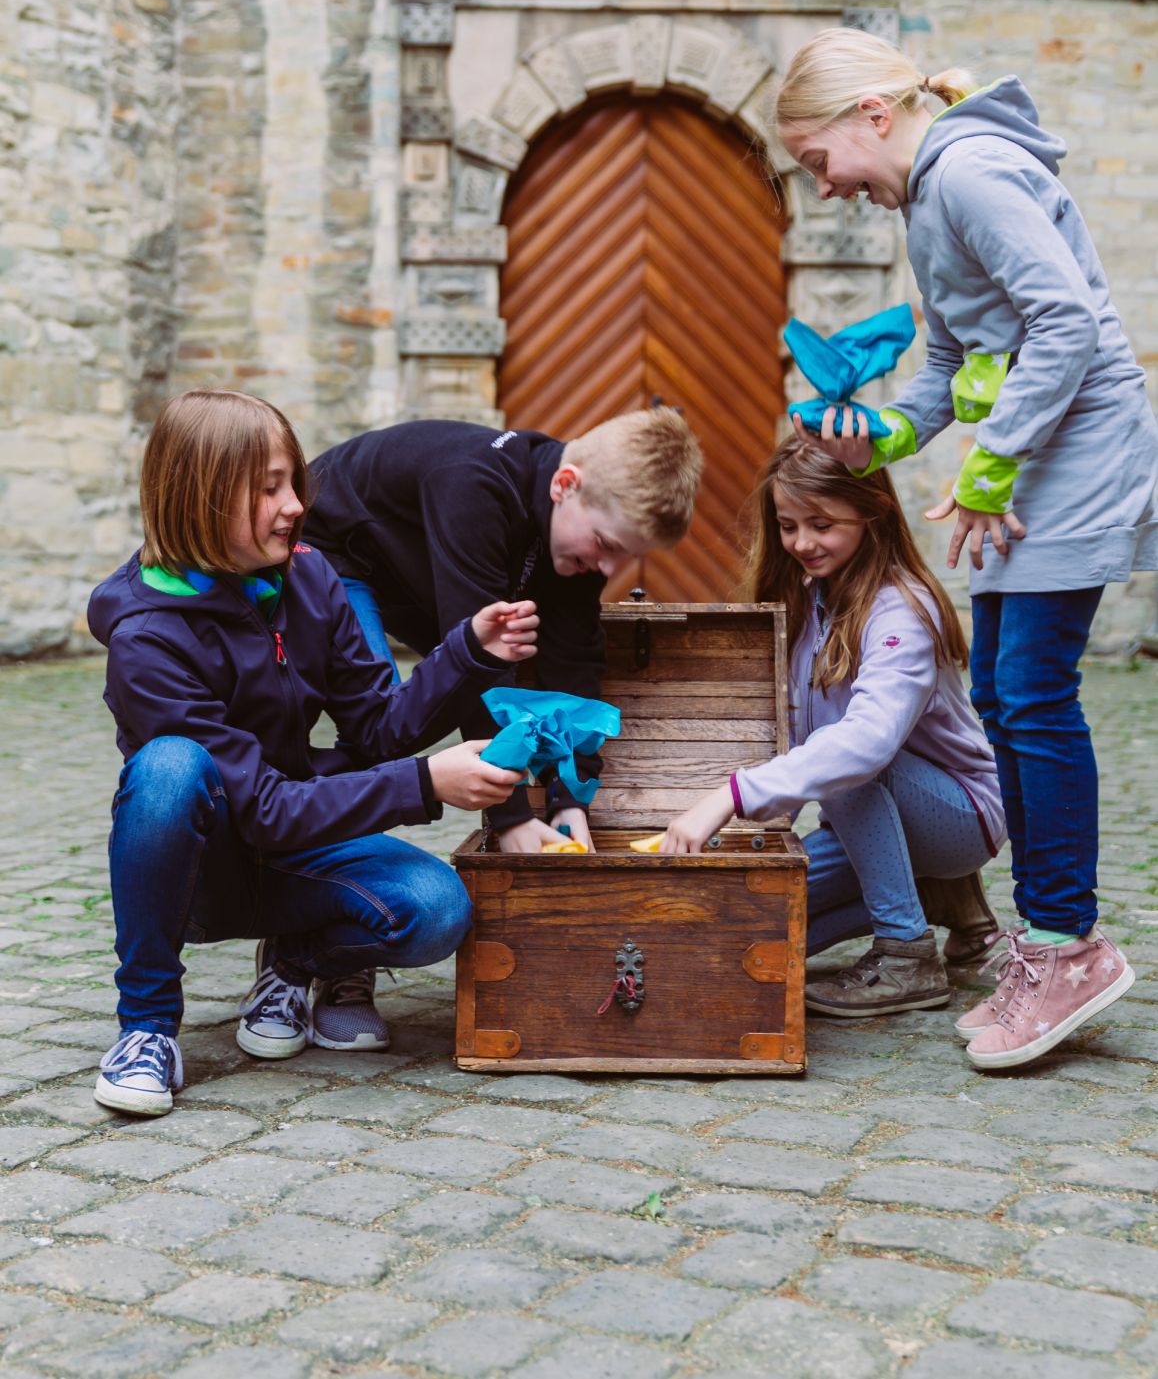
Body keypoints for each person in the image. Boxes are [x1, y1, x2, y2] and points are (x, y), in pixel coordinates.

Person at [772, 26, 1158, 1068]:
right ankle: (1043, 944)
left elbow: (1067, 324)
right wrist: (883, 436)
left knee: (1032, 694)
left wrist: (990, 469)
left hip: (1073, 456)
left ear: (873, 115)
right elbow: (951, 358)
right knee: (1001, 692)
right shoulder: (929, 200)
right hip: (1030, 462)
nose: (826, 186)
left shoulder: (973, 172)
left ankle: (1068, 946)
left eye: (819, 159)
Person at [87, 388, 537, 1116]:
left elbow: (379, 728)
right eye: (268, 488)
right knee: (168, 767)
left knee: (437, 909)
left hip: (296, 852)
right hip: (204, 875)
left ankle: (293, 962)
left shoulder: (309, 575)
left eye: (293, 482)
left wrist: (467, 652)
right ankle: (146, 1027)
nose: (295, 505)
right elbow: (262, 807)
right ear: (200, 498)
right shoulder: (146, 637)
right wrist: (426, 782)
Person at [661, 439, 1005, 1017]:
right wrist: (762, 838)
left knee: (849, 757)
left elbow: (864, 744)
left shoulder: (902, 609)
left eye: (821, 524)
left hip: (960, 814)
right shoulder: (808, 599)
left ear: (872, 514)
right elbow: (797, 732)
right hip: (869, 819)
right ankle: (933, 898)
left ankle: (906, 954)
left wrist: (731, 796)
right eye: (788, 525)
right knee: (757, 922)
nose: (801, 542)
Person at [304, 409, 703, 853]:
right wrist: (510, 816)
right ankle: (315, 831)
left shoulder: (578, 532)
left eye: (624, 555)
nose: (608, 568)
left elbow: (573, 659)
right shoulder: (473, 487)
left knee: (485, 679)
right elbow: (482, 663)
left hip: (408, 564)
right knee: (379, 726)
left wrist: (570, 798)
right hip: (334, 548)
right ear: (564, 485)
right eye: (606, 545)